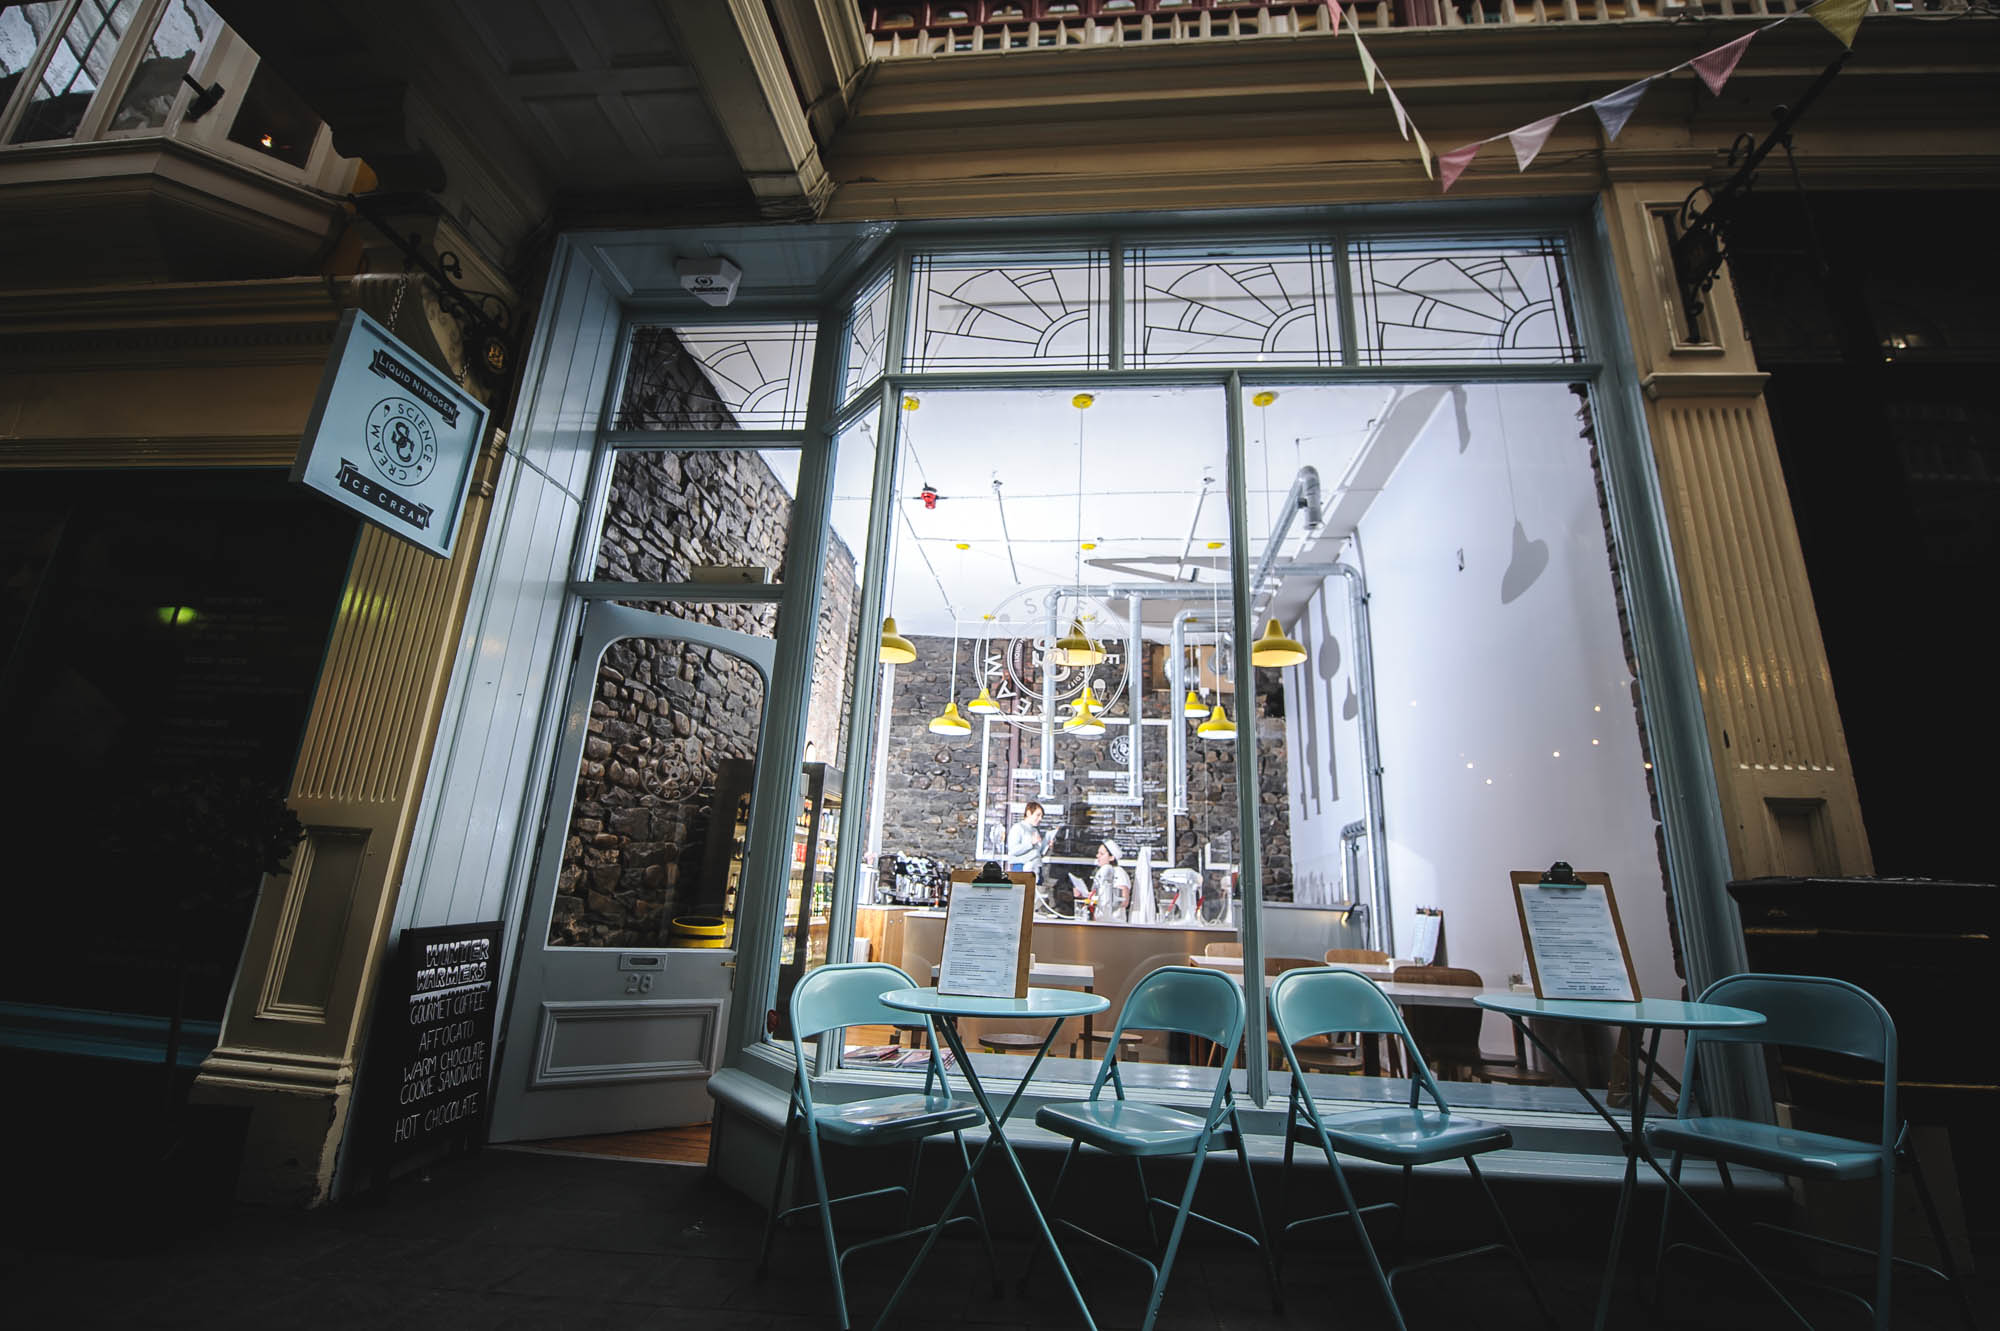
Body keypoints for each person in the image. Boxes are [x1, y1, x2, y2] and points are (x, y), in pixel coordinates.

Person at [1004, 800, 1054, 876]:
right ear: (1028, 813)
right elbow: (1013, 850)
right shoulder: (1017, 828)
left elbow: (1037, 852)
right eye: (1038, 815)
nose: (1040, 819)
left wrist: (1047, 846)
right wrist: (1030, 843)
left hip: (1036, 867)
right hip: (1022, 867)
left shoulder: (1034, 830)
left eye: (1041, 816)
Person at [1089, 839, 1132, 922]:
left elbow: (1124, 901)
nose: (1098, 856)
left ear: (1111, 857)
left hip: (1114, 923)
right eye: (1098, 853)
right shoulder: (1100, 872)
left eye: (1102, 854)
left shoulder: (1118, 872)